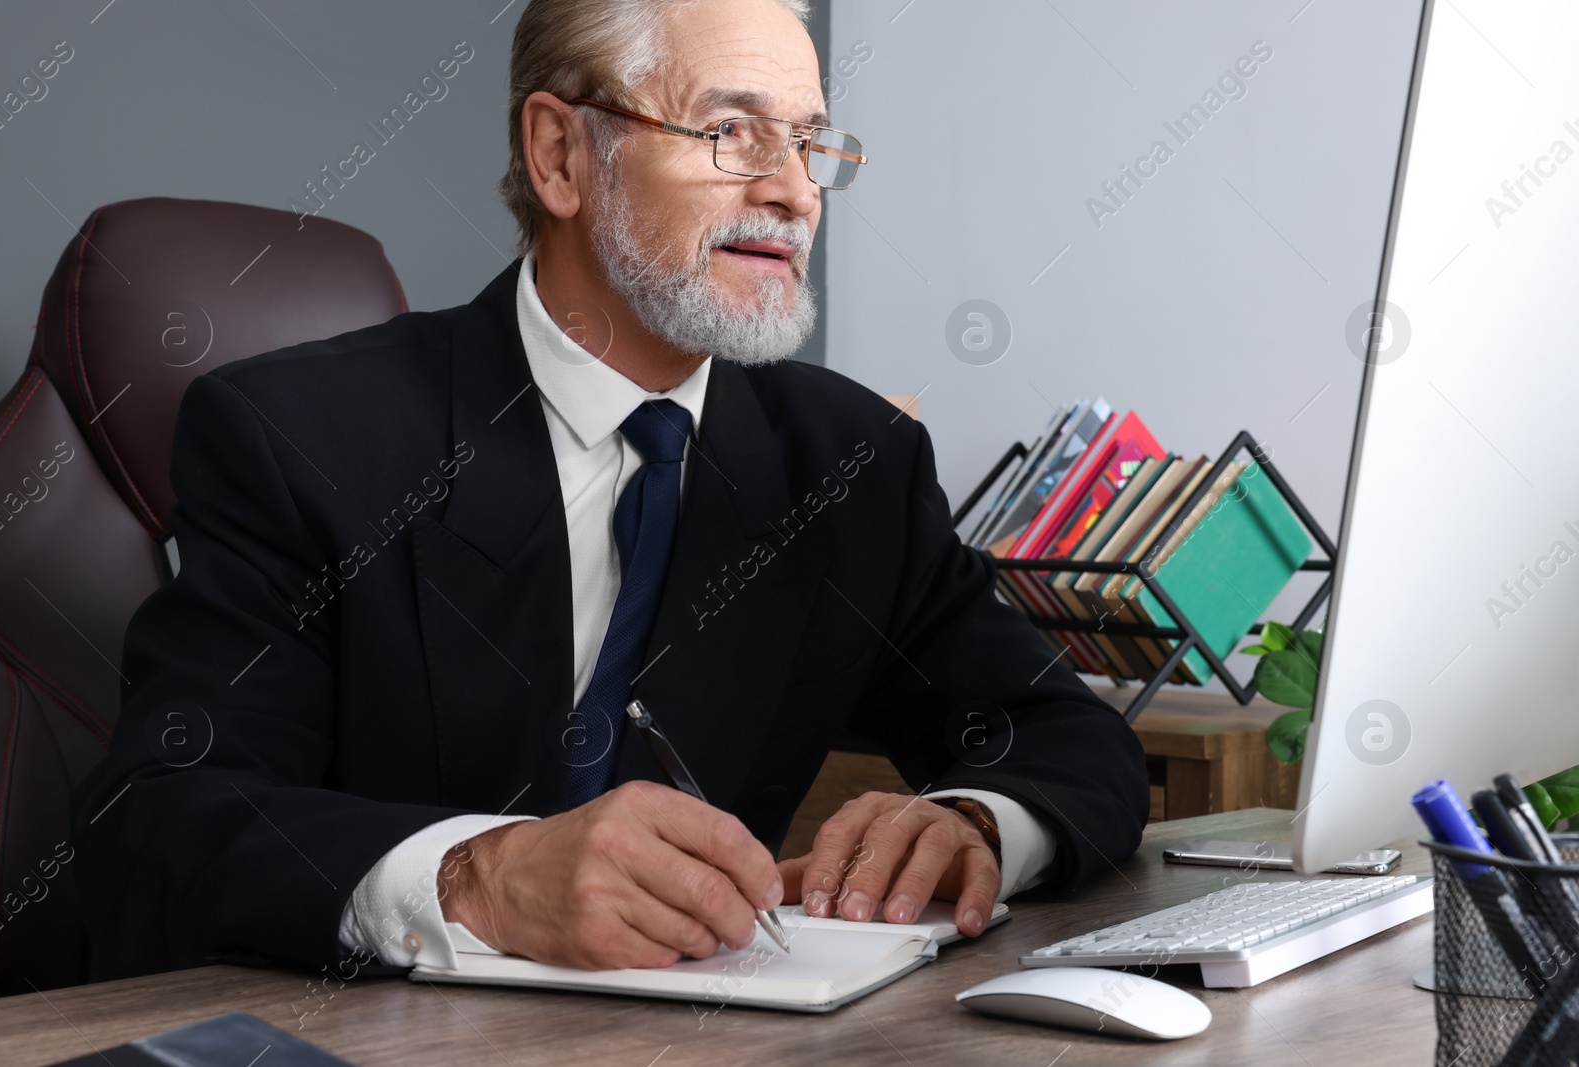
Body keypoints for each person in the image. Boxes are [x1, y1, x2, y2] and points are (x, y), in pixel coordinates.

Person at [72, 0, 1147, 981]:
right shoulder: (302, 439)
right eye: (732, 133)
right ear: (560, 155)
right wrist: (478, 876)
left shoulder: (849, 461)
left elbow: (1063, 738)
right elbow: (159, 821)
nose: (791, 189)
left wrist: (978, 819)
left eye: (811, 141)